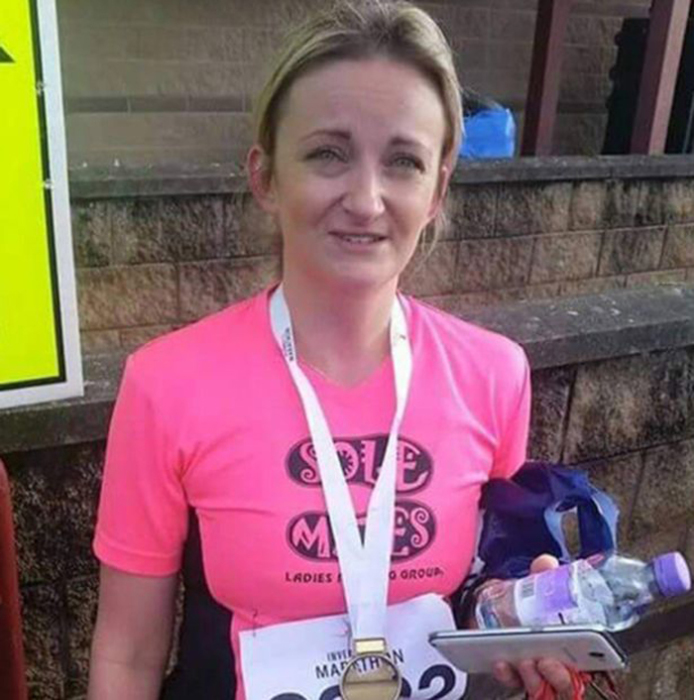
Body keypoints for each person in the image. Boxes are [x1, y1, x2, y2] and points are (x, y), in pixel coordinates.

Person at [87, 2, 575, 699]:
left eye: (403, 161)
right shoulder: (167, 384)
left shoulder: (493, 374)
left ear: (437, 191)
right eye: (328, 154)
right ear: (266, 176)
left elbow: (480, 587)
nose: (367, 199)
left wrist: (517, 613)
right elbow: (128, 653)